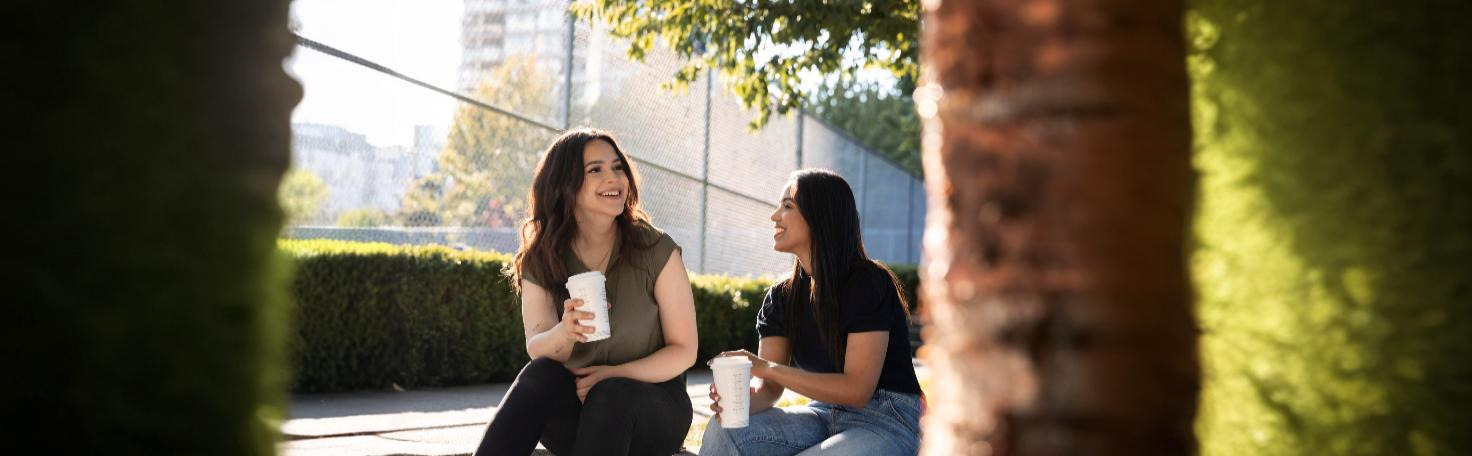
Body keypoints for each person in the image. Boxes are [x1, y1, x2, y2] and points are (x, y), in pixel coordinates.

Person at [474, 128, 698, 456]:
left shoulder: (656, 249)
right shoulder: (543, 255)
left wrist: (614, 374)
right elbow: (538, 348)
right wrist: (566, 332)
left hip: (654, 410)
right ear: (565, 185)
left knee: (611, 394)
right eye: (596, 170)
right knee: (542, 375)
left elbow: (685, 350)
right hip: (579, 409)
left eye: (617, 167)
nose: (614, 177)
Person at [700, 169, 922, 456]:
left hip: (887, 419)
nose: (774, 216)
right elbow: (769, 389)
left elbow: (857, 389)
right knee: (726, 432)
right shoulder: (782, 297)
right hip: (821, 415)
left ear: (820, 216)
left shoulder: (867, 283)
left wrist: (765, 367)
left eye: (787, 206)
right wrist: (741, 403)